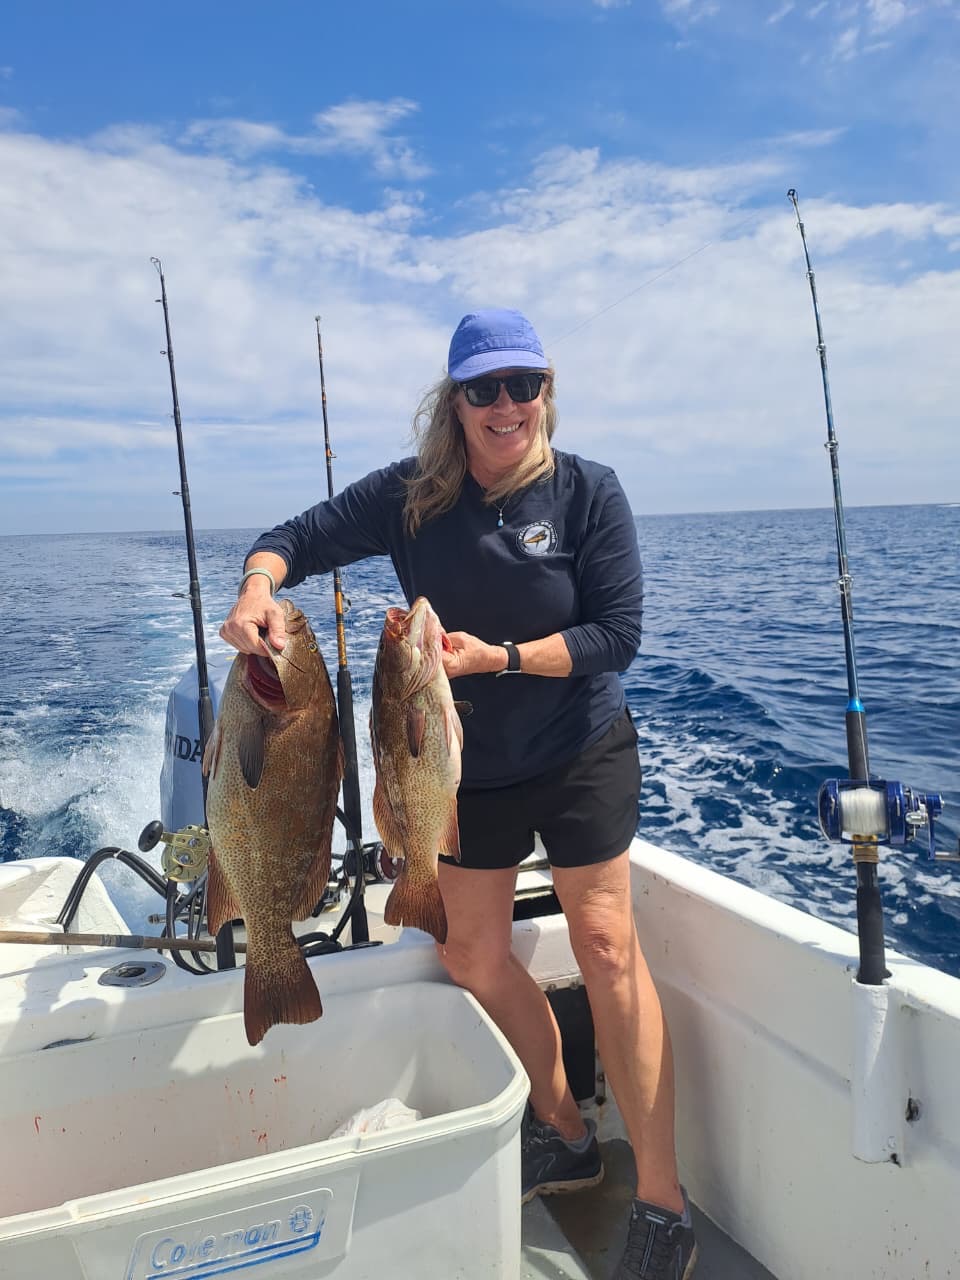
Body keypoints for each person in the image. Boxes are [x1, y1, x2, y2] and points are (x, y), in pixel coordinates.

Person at [219, 308, 697, 1280]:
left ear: (546, 391)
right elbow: (295, 537)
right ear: (455, 402)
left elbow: (617, 635)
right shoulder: (412, 499)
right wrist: (257, 588)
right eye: (484, 388)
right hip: (452, 770)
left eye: (524, 384)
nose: (507, 404)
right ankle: (562, 1129)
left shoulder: (589, 492)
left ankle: (662, 1199)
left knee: (605, 943)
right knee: (470, 949)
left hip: (576, 746)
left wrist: (502, 657)